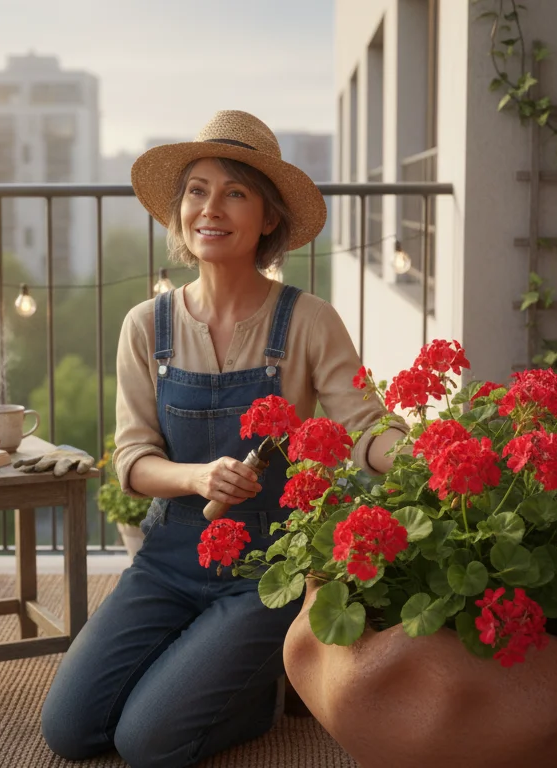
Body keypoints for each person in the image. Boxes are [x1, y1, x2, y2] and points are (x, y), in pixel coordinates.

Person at [39, 110, 403, 768]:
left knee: (146, 744)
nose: (212, 208)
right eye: (197, 190)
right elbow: (132, 460)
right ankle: (219, 668)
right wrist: (197, 477)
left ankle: (259, 694)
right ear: (180, 211)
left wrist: (414, 454)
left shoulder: (309, 320)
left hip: (267, 572)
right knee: (71, 730)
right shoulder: (146, 326)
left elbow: (365, 426)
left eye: (235, 192)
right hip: (168, 560)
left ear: (267, 218)